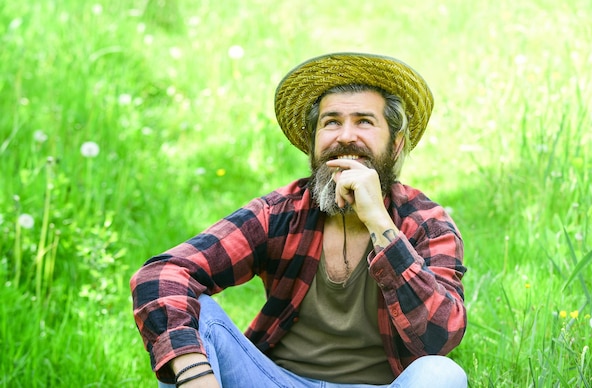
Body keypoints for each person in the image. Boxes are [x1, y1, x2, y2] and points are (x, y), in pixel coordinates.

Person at [131, 52, 468, 388]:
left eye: (364, 121)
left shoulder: (427, 224)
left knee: (443, 375)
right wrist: (195, 377)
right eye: (331, 122)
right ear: (313, 143)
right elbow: (161, 274)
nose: (346, 136)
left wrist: (380, 224)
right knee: (193, 314)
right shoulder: (280, 213)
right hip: (273, 381)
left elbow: (440, 337)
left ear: (395, 145)